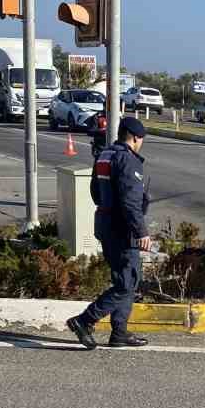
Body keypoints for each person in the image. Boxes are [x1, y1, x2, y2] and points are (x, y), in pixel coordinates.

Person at [66, 117, 151, 350]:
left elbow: (95, 190)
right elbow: (131, 201)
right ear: (135, 138)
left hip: (105, 223)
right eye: (141, 139)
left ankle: (120, 333)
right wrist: (141, 231)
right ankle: (84, 321)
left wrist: (107, 207)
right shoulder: (128, 159)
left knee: (125, 281)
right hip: (123, 228)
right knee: (126, 283)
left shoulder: (104, 155)